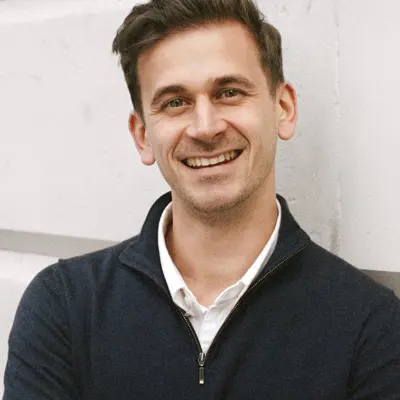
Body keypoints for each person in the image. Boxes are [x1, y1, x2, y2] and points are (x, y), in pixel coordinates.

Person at [3, 0, 400, 398]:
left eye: (229, 92)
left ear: (283, 108)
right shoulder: (65, 307)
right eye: (175, 102)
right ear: (142, 135)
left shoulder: (372, 326)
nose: (205, 128)